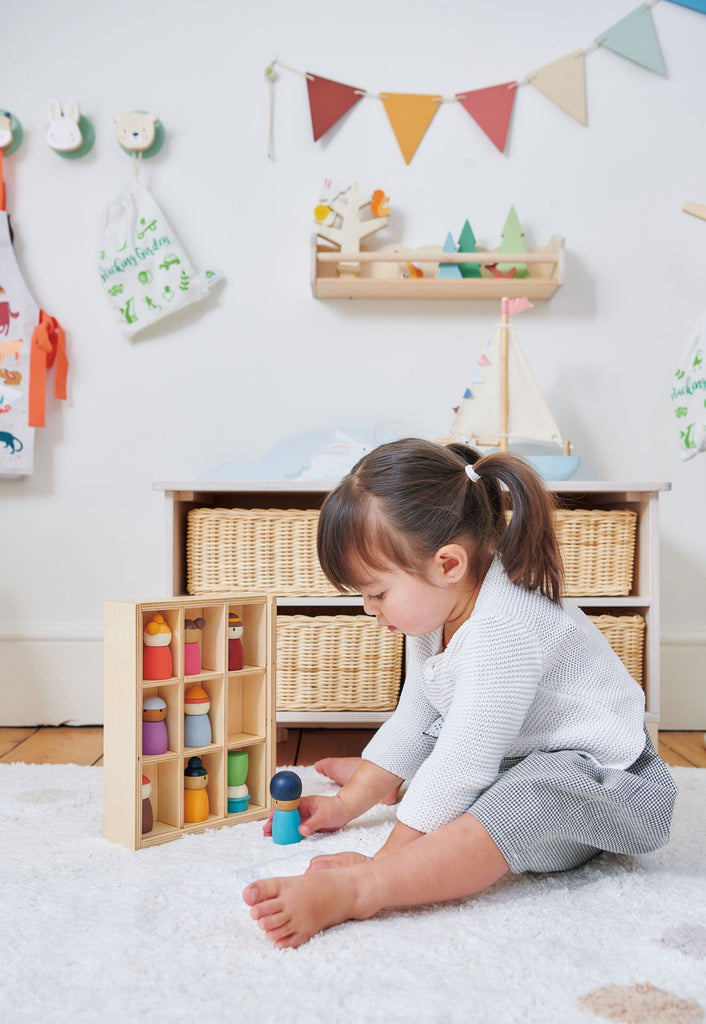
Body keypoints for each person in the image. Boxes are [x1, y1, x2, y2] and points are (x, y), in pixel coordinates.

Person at [243, 438, 677, 949]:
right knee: (452, 770)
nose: (367, 608)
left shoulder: (504, 627)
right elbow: (416, 718)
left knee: (510, 796)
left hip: (612, 782)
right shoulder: (435, 612)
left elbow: (463, 762)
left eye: (377, 593)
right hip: (520, 755)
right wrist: (345, 805)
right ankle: (389, 787)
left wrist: (387, 861)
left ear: (448, 564)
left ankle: (366, 889)